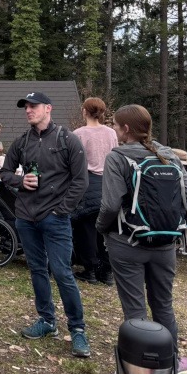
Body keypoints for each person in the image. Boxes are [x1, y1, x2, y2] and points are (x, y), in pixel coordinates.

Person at [0, 91, 91, 358]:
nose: (29, 110)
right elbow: (5, 173)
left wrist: (61, 210)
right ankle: (47, 320)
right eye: (26, 107)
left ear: (48, 108)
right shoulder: (22, 141)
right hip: (26, 217)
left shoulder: (67, 139)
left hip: (55, 219)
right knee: (37, 270)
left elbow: (81, 180)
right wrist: (20, 181)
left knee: (62, 272)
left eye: (34, 106)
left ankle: (77, 329)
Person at [96, 104, 187, 343]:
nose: (113, 129)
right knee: (164, 307)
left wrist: (100, 227)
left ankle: (139, 363)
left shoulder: (117, 157)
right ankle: (169, 362)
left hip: (126, 243)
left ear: (126, 129)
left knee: (135, 311)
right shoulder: (169, 156)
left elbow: (110, 205)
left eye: (115, 125)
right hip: (165, 244)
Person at [71, 97, 118, 285]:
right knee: (105, 229)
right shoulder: (111, 133)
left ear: (84, 111)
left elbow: (74, 162)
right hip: (108, 183)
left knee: (86, 228)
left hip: (88, 182)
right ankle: (106, 271)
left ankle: (90, 269)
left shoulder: (78, 134)